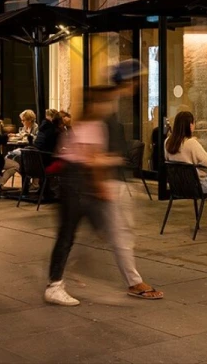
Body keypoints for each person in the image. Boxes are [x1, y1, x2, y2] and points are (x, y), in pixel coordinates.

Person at [45, 86, 163, 306]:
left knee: (96, 231)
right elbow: (91, 159)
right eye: (106, 102)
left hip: (76, 183)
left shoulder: (82, 124)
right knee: (78, 233)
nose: (110, 106)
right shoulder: (92, 126)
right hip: (77, 183)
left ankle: (67, 274)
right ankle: (57, 283)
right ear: (96, 105)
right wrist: (107, 171)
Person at [165, 111, 207, 233]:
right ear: (190, 125)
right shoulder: (191, 143)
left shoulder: (168, 142)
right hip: (197, 186)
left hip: (178, 187)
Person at [0, 109, 40, 188]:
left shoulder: (36, 128)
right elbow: (21, 134)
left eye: (23, 120)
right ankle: (1, 182)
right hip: (24, 148)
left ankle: (32, 182)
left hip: (32, 151)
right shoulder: (25, 127)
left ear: (30, 120)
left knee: (16, 158)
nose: (22, 122)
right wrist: (15, 135)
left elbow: (34, 139)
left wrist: (26, 135)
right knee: (12, 157)